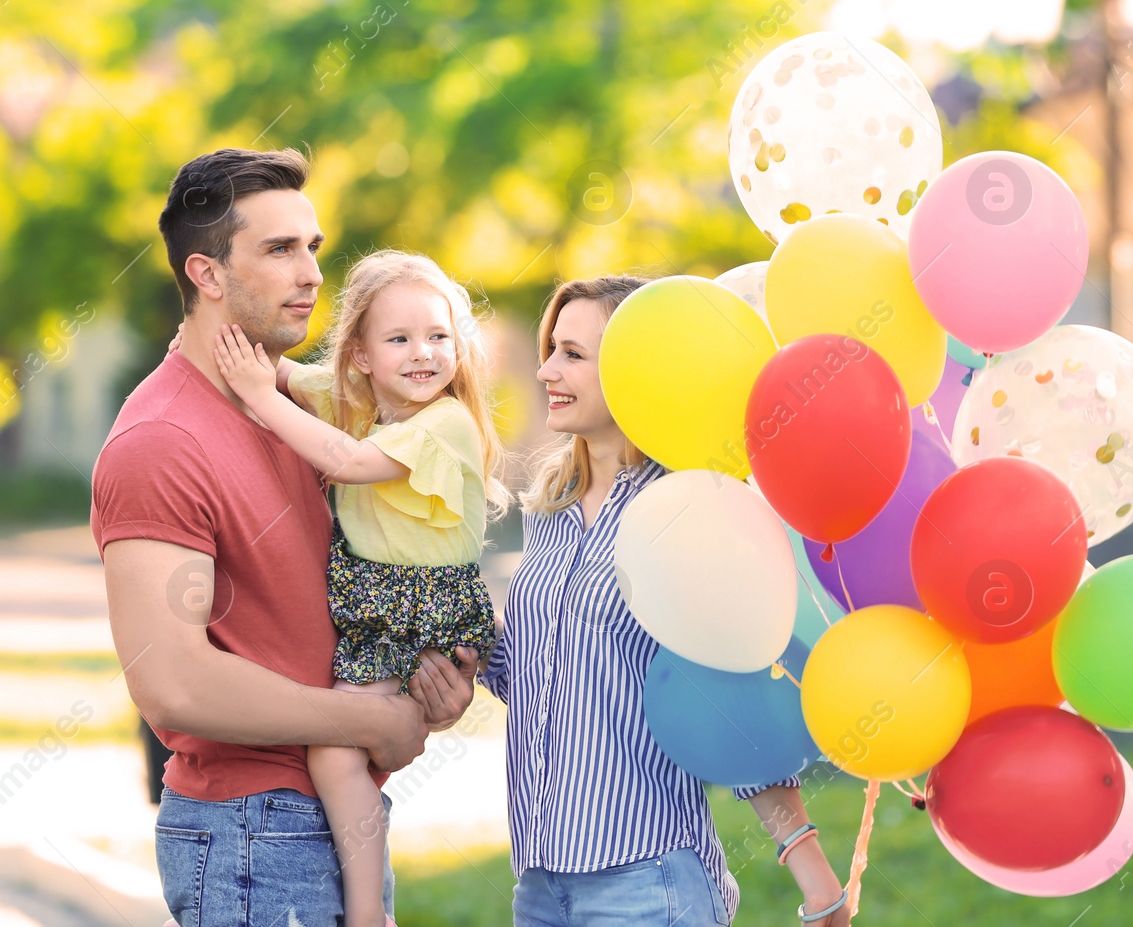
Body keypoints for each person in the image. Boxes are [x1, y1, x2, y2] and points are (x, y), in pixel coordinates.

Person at [92, 148, 478, 927]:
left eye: (313, 247)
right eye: (278, 249)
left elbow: (338, 599)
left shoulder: (314, 414)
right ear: (206, 274)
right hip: (249, 834)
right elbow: (175, 685)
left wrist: (433, 682)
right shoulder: (161, 439)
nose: (310, 274)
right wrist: (368, 721)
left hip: (335, 814)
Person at [479, 276, 852, 927]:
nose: (545, 370)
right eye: (550, 349)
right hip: (539, 885)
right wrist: (457, 656)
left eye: (572, 353)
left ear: (634, 370)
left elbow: (726, 691)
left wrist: (808, 862)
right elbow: (542, 674)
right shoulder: (548, 509)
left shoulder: (682, 514)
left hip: (648, 880)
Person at [204, 246, 509, 927]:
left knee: (334, 752)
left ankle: (368, 912)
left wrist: (258, 396)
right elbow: (292, 374)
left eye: (437, 335)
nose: (422, 352)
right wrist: (248, 350)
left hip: (419, 608)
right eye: (399, 338)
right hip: (381, 607)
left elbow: (347, 460)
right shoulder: (363, 402)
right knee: (352, 749)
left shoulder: (446, 422)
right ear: (364, 357)